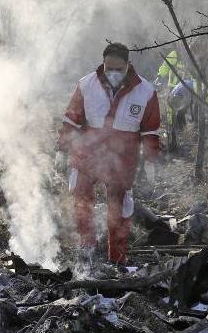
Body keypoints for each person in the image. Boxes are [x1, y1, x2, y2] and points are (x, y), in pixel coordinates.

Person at [58, 42, 161, 266]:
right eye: (108, 68)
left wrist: (150, 161)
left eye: (118, 69)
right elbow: (71, 119)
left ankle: (117, 258)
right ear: (103, 65)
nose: (112, 73)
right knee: (81, 200)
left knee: (120, 209)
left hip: (122, 159)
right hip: (88, 154)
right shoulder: (87, 85)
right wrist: (62, 149)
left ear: (128, 65)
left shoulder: (146, 91)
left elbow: (151, 130)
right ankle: (88, 249)